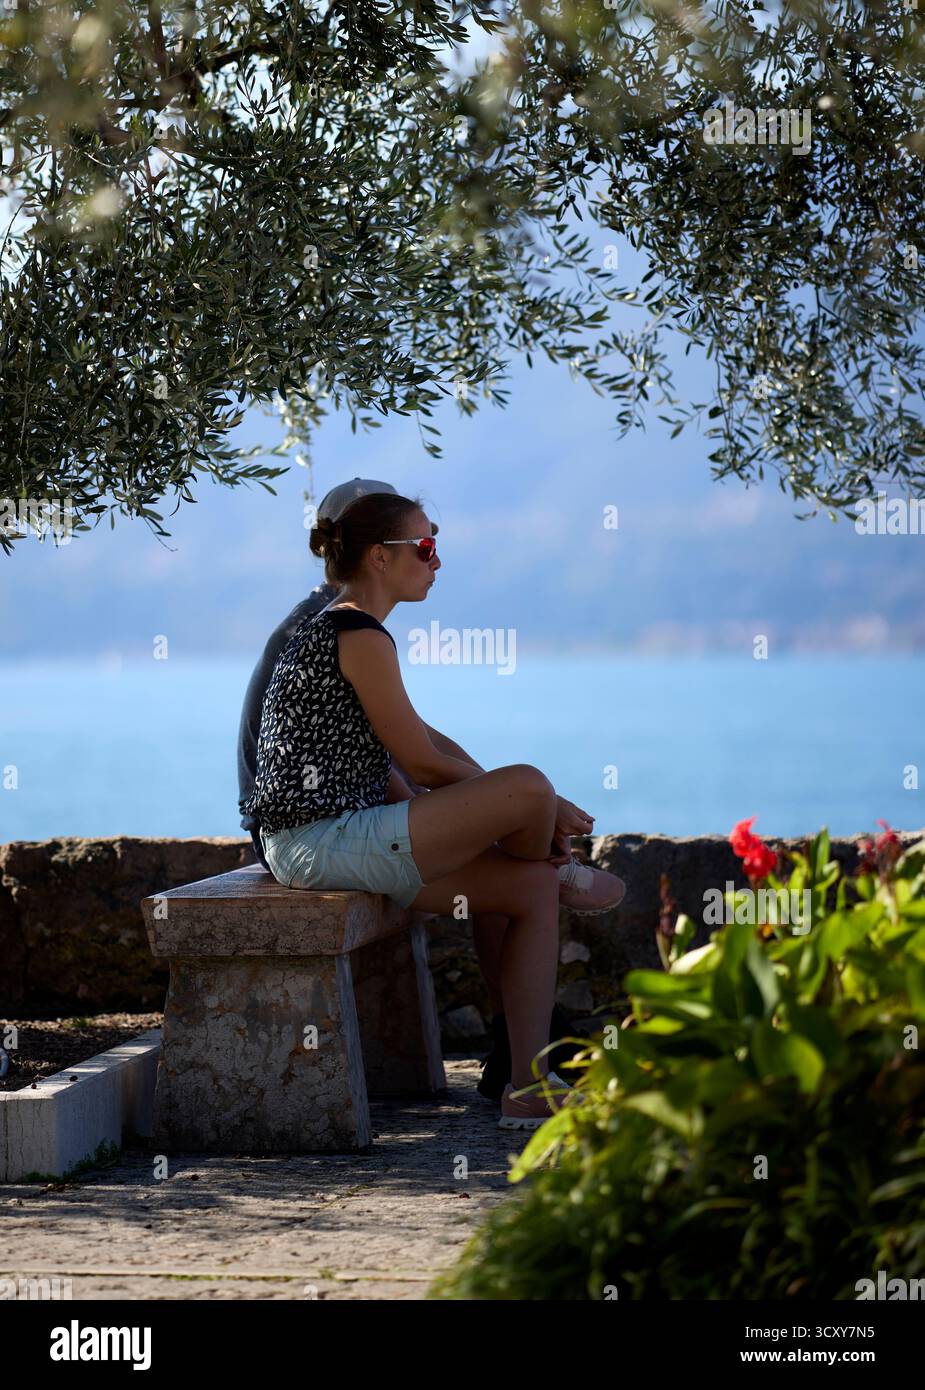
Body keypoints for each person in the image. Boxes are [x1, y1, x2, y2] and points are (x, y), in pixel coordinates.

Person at [239, 485, 626, 1128]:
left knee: (528, 887)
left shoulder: (352, 630)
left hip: (335, 835)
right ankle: (554, 863)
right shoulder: (355, 633)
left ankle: (526, 1089)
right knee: (529, 783)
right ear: (379, 558)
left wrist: (505, 806)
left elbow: (418, 739)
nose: (436, 559)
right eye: (424, 546)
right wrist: (533, 803)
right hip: (318, 839)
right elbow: (419, 761)